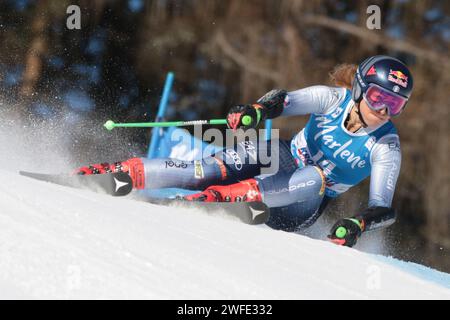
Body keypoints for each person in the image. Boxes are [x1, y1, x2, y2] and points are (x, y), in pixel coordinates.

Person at [76, 55, 413, 247]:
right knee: (207, 169)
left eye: (395, 104)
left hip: (297, 204)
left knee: (315, 177)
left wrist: (356, 224)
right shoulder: (332, 99)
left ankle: (223, 198)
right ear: (359, 90)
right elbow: (285, 100)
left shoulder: (386, 146)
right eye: (378, 98)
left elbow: (382, 209)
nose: (383, 110)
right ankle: (124, 173)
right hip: (281, 156)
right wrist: (256, 109)